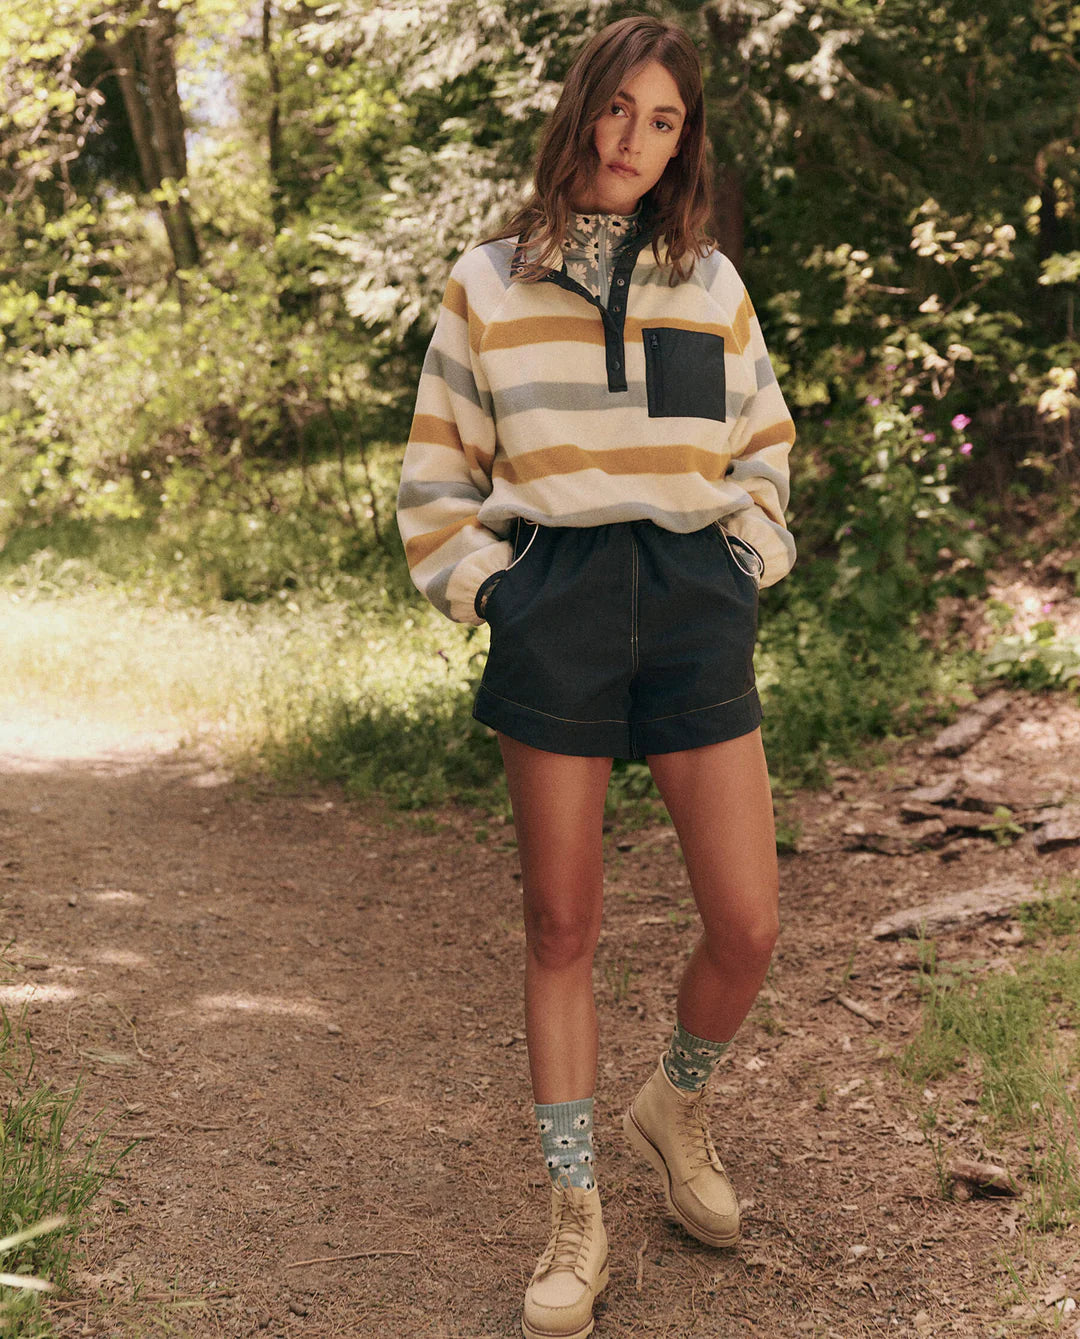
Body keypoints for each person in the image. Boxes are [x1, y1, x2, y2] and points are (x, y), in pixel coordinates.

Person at [396, 14, 795, 1338]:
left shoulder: (713, 284)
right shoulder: (490, 282)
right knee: (562, 927)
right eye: (619, 110)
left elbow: (765, 448)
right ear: (582, 113)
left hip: (691, 604)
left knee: (749, 924)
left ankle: (671, 1107)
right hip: (554, 603)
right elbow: (437, 476)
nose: (635, 140)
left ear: (686, 141)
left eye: (665, 120)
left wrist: (746, 561)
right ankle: (576, 1214)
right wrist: (493, 590)